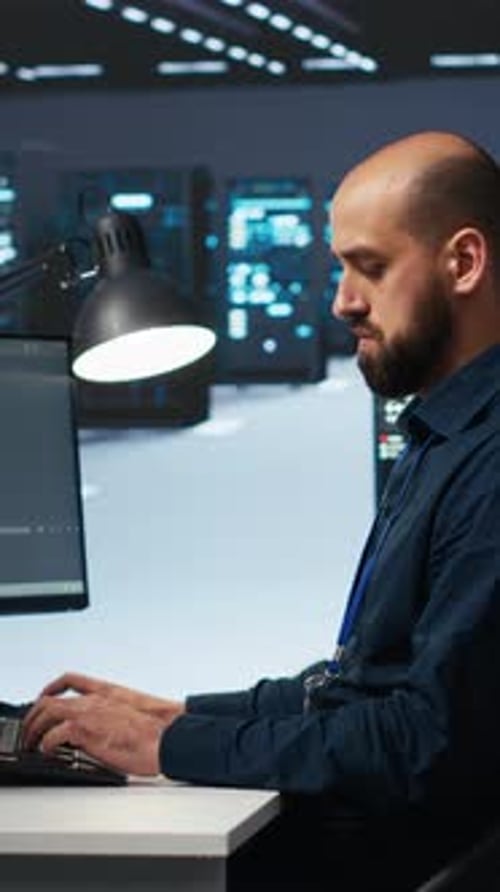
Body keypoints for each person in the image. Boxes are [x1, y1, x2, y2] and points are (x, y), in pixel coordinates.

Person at [23, 130, 500, 889]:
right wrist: (175, 716)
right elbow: (353, 687)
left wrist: (173, 748)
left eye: (369, 268)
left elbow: (419, 742)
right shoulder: (442, 431)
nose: (343, 300)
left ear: (465, 262)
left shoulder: (489, 462)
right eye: (339, 267)